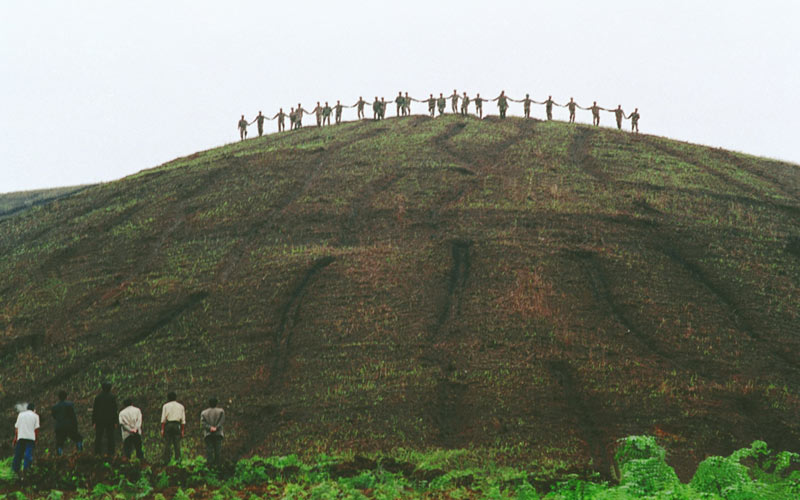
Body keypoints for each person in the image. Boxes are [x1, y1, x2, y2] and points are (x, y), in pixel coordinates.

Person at [52, 390, 83, 456]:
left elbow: (54, 416)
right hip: (69, 426)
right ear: (66, 397)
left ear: (58, 397)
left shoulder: (54, 407)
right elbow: (73, 417)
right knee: (78, 438)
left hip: (59, 426)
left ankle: (59, 457)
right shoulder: (70, 405)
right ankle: (80, 453)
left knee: (59, 443)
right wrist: (75, 426)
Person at [12, 403, 39, 476]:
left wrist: (15, 438)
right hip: (30, 438)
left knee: (18, 454)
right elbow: (36, 430)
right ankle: (26, 469)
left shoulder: (21, 414)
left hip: (21, 437)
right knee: (28, 454)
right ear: (34, 409)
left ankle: (15, 469)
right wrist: (36, 439)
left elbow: (17, 428)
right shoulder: (36, 416)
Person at [92, 381, 117, 456]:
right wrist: (115, 421)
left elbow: (95, 410)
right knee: (110, 437)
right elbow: (114, 410)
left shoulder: (98, 397)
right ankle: (111, 452)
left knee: (98, 436)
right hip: (110, 420)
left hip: (99, 420)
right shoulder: (112, 397)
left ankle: (97, 452)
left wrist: (94, 422)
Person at [160, 391, 186, 464]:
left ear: (168, 398)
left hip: (168, 425)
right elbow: (183, 420)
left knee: (167, 443)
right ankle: (178, 460)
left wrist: (162, 429)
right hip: (177, 425)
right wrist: (182, 430)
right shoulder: (181, 406)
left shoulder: (165, 406)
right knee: (177, 443)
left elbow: (163, 419)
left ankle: (166, 461)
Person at [200, 398, 225, 468]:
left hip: (208, 434)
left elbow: (203, 423)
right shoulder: (221, 411)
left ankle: (210, 466)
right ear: (216, 403)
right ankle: (218, 466)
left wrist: (210, 428)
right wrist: (216, 427)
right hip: (218, 433)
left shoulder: (204, 413)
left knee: (209, 450)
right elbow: (222, 421)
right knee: (218, 450)